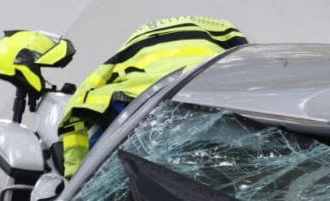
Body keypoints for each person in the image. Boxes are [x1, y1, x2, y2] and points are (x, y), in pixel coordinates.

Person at [58, 15, 247, 176]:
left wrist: (73, 176)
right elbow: (249, 63)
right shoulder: (221, 28)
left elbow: (79, 105)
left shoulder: (130, 46)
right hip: (206, 92)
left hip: (135, 101)